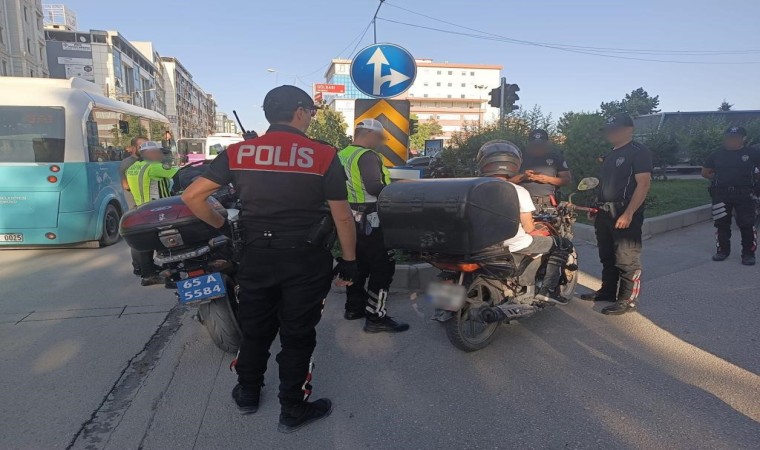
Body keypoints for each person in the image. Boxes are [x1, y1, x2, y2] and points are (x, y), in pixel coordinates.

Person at [181, 85, 358, 433]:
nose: (310, 118)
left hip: (255, 256)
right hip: (305, 260)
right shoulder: (323, 155)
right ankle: (293, 407)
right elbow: (342, 216)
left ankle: (247, 392)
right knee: (298, 333)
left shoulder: (238, 152)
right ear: (300, 112)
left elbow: (192, 196)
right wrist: (349, 261)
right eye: (311, 112)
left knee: (255, 328)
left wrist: (223, 226)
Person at [477, 140, 574, 305]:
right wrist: (535, 230)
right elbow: (529, 228)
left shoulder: (473, 188)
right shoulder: (518, 191)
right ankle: (548, 291)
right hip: (511, 244)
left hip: (480, 244)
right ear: (513, 165)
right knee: (562, 244)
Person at [337, 119, 409, 333]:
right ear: (369, 134)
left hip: (349, 216)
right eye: (380, 137)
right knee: (383, 266)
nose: (381, 142)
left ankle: (353, 308)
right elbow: (374, 187)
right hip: (371, 218)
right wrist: (400, 188)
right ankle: (376, 317)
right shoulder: (367, 155)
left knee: (357, 263)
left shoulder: (342, 154)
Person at [580, 113, 652, 315]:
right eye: (608, 130)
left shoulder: (638, 151)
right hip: (605, 212)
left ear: (629, 130)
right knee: (607, 255)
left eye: (615, 129)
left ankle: (627, 300)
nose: (611, 133)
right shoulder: (610, 154)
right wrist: (596, 207)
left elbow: (643, 184)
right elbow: (606, 185)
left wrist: (629, 213)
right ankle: (608, 292)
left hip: (624, 211)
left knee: (626, 257)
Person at [701, 126, 760, 266]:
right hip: (721, 194)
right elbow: (705, 172)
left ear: (743, 139)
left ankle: (748, 254)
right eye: (729, 137)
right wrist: (721, 179)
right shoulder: (716, 154)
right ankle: (722, 251)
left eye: (735, 138)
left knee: (747, 224)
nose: (731, 140)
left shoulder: (752, 153)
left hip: (745, 194)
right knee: (721, 223)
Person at [125, 141, 179, 286]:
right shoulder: (153, 167)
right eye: (159, 152)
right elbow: (179, 172)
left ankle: (148, 273)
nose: (162, 155)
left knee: (145, 243)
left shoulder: (133, 168)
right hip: (158, 209)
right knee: (169, 239)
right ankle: (171, 273)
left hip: (141, 208)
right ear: (151, 153)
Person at [511, 129, 572, 205]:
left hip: (547, 202)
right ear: (529, 144)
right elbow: (507, 181)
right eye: (535, 145)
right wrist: (523, 176)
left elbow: (567, 180)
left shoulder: (556, 158)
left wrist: (547, 179)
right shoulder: (519, 158)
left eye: (541, 144)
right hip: (522, 202)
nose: (538, 147)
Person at [119, 136, 148, 210]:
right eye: (142, 147)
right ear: (133, 148)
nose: (146, 149)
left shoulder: (149, 161)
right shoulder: (127, 163)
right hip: (135, 205)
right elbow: (126, 186)